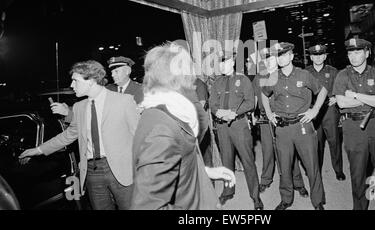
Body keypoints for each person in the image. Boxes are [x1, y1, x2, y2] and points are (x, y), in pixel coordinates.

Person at [19, 60, 140, 209]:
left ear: (91, 80)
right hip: (91, 171)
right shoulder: (79, 107)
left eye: (75, 81)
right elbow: (68, 135)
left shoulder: (124, 101)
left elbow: (139, 136)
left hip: (122, 170)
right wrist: (38, 150)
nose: (71, 85)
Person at [131, 43, 235, 209]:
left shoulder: (172, 112)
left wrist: (205, 171)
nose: (192, 77)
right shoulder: (161, 129)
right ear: (174, 77)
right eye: (188, 71)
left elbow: (178, 162)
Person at [261, 42, 327, 210]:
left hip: (302, 127)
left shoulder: (304, 75)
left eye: (284, 55)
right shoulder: (273, 76)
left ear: (291, 56)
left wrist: (314, 110)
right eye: (278, 55)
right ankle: (286, 199)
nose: (281, 58)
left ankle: (317, 201)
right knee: (284, 166)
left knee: (312, 166)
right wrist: (269, 113)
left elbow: (323, 91)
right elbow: (263, 95)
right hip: (282, 129)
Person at [332, 38, 375, 210]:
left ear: (367, 53)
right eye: (350, 52)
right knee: (358, 173)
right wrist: (371, 100)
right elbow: (342, 103)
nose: (353, 56)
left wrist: (356, 95)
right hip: (353, 127)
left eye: (358, 52)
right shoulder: (342, 75)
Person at [209, 50, 263, 210]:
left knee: (248, 161)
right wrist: (218, 112)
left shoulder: (243, 79)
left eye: (224, 62)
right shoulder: (217, 82)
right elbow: (212, 103)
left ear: (232, 62)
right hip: (222, 127)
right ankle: (228, 190)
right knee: (227, 161)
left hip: (239, 126)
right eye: (219, 63)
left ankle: (255, 196)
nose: (221, 66)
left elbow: (250, 103)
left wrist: (235, 113)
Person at [252, 47, 308, 197]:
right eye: (265, 59)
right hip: (265, 120)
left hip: (283, 119)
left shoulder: (283, 75)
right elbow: (256, 98)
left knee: (289, 154)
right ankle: (265, 180)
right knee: (268, 151)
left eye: (271, 59)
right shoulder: (259, 77)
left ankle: (298, 183)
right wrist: (252, 114)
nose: (268, 62)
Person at [305, 44, 345, 181]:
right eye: (315, 55)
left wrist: (336, 98)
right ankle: (317, 170)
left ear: (325, 56)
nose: (318, 57)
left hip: (329, 110)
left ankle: (338, 170)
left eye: (321, 54)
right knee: (317, 143)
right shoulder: (306, 72)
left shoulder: (333, 71)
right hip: (313, 111)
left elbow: (341, 87)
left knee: (334, 141)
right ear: (311, 57)